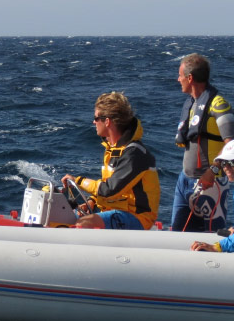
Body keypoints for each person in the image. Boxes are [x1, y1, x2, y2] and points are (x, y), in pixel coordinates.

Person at [61, 92, 160, 230]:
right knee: (66, 217)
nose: (93, 122)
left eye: (96, 118)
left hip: (137, 218)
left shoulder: (134, 154)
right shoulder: (114, 150)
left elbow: (109, 189)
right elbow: (111, 189)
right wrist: (91, 202)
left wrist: (78, 181)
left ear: (107, 121)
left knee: (83, 224)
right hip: (116, 211)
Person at [173, 53, 234, 232]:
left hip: (211, 183)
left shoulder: (218, 104)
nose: (178, 79)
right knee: (178, 233)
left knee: (211, 235)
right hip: (184, 181)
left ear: (190, 78)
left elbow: (232, 144)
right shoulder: (191, 104)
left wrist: (213, 171)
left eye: (180, 75)